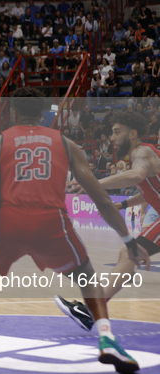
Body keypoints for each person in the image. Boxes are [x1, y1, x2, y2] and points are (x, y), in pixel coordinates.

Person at [0, 88, 148, 374]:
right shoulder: (67, 143)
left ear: (13, 114)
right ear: (42, 114)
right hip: (50, 221)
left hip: (9, 220)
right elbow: (101, 198)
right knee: (86, 274)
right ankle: (107, 339)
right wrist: (128, 240)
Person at [59, 111, 159, 333]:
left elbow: (136, 177)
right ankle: (92, 310)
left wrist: (93, 182)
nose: (112, 137)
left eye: (117, 131)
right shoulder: (143, 156)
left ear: (133, 134)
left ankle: (91, 310)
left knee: (128, 254)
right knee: (128, 254)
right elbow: (149, 192)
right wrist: (122, 206)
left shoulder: (142, 152)